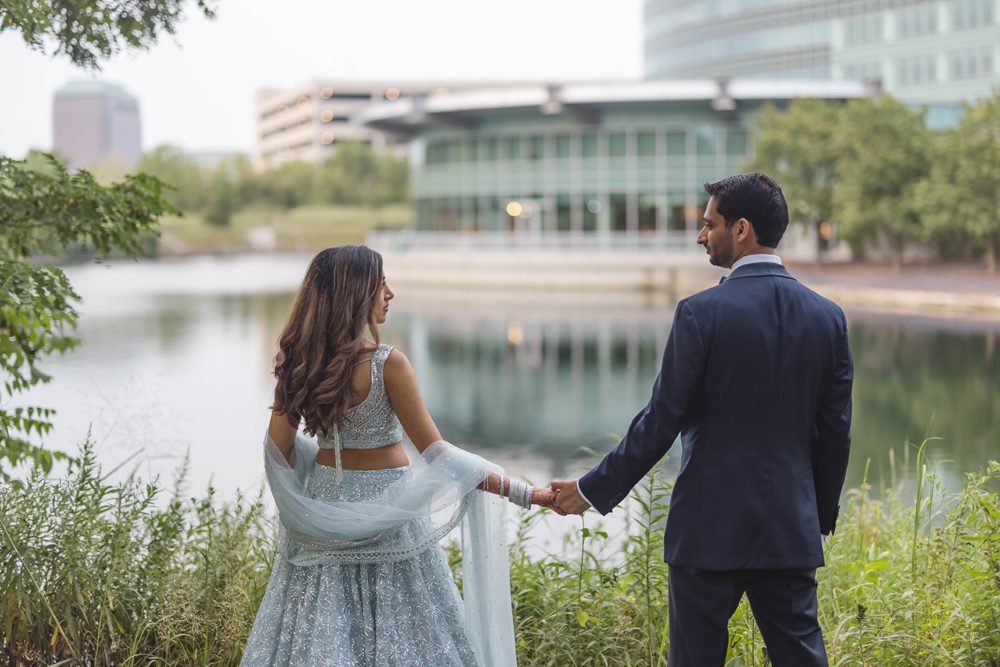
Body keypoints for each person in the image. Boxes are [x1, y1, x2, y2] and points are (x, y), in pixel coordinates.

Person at [550, 173, 853, 666]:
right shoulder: (828, 317)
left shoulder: (700, 313)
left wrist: (590, 489)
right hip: (789, 531)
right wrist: (814, 517)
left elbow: (660, 420)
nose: (700, 235)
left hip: (708, 530)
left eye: (708, 223)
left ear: (741, 230)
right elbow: (835, 432)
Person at [242, 245, 551, 667]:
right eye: (381, 283)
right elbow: (439, 454)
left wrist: (313, 495)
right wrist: (522, 492)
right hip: (390, 517)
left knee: (321, 629)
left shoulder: (298, 360)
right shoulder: (388, 364)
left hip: (324, 512)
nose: (390, 294)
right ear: (356, 293)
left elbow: (277, 451)